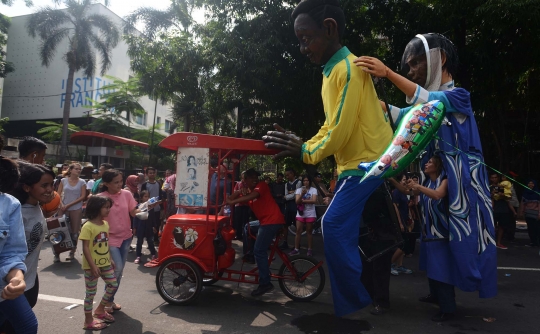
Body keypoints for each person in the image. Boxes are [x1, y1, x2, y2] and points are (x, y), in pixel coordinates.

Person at [263, 0, 393, 316]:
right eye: (299, 41)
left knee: (333, 225)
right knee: (340, 228)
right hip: (355, 164)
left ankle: (356, 300)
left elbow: (341, 129)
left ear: (329, 28)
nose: (303, 48)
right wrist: (308, 145)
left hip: (368, 163)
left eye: (306, 38)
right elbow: (331, 125)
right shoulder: (332, 71)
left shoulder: (348, 69)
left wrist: (307, 151)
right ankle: (358, 296)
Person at [355, 33, 497, 304]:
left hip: (458, 184)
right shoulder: (429, 106)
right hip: (434, 181)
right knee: (434, 240)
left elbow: (425, 103)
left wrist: (388, 73)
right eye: (408, 67)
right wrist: (375, 103)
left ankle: (447, 302)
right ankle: (438, 292)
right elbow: (408, 117)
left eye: (416, 63)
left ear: (439, 58)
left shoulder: (458, 96)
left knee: (458, 239)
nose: (412, 71)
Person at [226, 168, 284, 297]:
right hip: (265, 222)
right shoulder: (249, 192)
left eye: (256, 177)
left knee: (260, 251)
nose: (255, 179)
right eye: (251, 177)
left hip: (271, 221)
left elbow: (252, 196)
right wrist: (238, 192)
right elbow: (231, 198)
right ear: (245, 180)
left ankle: (265, 283)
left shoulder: (261, 186)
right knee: (247, 226)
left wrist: (233, 202)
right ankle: (249, 254)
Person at [0, 154, 39, 334]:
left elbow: (11, 252)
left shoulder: (9, 203)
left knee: (28, 325)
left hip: (3, 286)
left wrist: (17, 278)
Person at [98, 169, 140, 314]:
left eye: (121, 181)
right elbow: (95, 221)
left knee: (119, 270)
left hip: (126, 237)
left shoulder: (127, 194)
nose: (119, 184)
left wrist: (146, 209)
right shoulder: (100, 198)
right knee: (116, 269)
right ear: (106, 183)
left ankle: (109, 299)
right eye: (116, 182)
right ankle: (106, 301)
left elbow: (133, 212)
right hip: (109, 239)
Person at [79, 196, 118, 330]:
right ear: (96, 208)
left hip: (105, 263)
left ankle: (100, 310)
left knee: (113, 284)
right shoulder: (87, 226)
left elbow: (105, 244)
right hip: (91, 266)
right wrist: (92, 265)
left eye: (109, 207)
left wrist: (110, 258)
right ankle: (88, 320)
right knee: (90, 293)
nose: (108, 210)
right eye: (106, 207)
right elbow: (85, 248)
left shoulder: (105, 224)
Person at [56, 163, 86, 261]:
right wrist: (61, 204)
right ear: (71, 170)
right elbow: (58, 194)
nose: (78, 170)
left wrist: (69, 205)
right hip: (63, 207)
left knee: (74, 231)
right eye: (76, 169)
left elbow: (82, 196)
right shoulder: (63, 180)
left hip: (76, 208)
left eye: (80, 169)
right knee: (59, 230)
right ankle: (57, 253)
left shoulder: (82, 182)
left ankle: (72, 252)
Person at [389, 174, 413, 275]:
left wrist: (410, 217)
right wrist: (399, 223)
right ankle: (389, 264)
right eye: (403, 180)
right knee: (403, 244)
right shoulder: (397, 192)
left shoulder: (403, 192)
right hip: (400, 220)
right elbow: (396, 208)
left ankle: (399, 265)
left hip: (405, 219)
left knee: (405, 243)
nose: (405, 181)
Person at [289, 175, 318, 257]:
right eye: (304, 181)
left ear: (310, 181)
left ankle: (309, 249)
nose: (306, 182)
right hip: (301, 213)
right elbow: (297, 202)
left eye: (307, 180)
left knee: (309, 231)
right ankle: (296, 249)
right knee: (298, 230)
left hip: (310, 213)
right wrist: (302, 194)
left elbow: (314, 200)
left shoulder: (313, 190)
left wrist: (303, 201)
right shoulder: (299, 190)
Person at [489, 172, 514, 249]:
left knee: (501, 226)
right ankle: (490, 243)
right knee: (491, 226)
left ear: (498, 178)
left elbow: (509, 198)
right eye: (492, 178)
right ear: (490, 179)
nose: (494, 179)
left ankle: (498, 243)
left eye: (495, 177)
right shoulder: (489, 187)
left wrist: (503, 195)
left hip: (503, 208)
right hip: (493, 209)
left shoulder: (502, 186)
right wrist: (492, 194)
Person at [133, 190, 158, 264]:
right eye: (145, 196)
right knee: (139, 242)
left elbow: (153, 217)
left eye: (148, 196)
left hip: (149, 227)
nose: (147, 198)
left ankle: (153, 254)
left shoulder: (151, 207)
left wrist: (154, 226)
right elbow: (135, 217)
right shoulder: (138, 206)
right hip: (140, 227)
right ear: (141, 198)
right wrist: (134, 227)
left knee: (150, 241)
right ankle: (138, 256)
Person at [141, 167, 164, 244]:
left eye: (153, 172)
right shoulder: (145, 184)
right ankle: (149, 240)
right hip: (148, 208)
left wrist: (161, 204)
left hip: (157, 208)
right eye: (150, 173)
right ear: (147, 174)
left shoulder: (158, 183)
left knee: (157, 223)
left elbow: (160, 195)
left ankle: (156, 239)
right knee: (149, 224)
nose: (152, 174)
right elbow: (142, 196)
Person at [280, 168, 301, 250]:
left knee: (297, 226)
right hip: (288, 207)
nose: (287, 177)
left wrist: (290, 194)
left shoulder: (298, 182)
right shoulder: (286, 184)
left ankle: (297, 244)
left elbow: (296, 195)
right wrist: (291, 194)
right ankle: (285, 242)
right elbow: (286, 195)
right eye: (286, 175)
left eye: (288, 175)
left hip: (295, 207)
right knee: (285, 225)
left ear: (292, 174)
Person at [519, 180, 540, 247]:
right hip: (528, 214)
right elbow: (523, 204)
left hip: (536, 213)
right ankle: (533, 242)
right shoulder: (525, 193)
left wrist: (539, 213)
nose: (530, 185)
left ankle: (537, 242)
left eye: (532, 183)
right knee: (530, 229)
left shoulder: (537, 193)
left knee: (537, 228)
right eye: (529, 183)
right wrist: (521, 212)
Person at [233, 172, 251, 240]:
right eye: (243, 176)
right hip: (238, 204)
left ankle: (245, 234)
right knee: (238, 220)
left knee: (245, 220)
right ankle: (238, 234)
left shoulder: (248, 184)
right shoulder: (238, 183)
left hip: (246, 204)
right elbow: (235, 192)